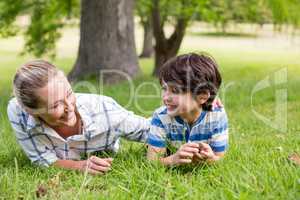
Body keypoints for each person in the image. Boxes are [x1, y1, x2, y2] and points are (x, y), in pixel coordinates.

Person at [7, 60, 150, 175]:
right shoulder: (19, 112)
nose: (69, 107)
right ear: (32, 111)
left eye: (69, 93)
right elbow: (42, 160)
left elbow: (152, 129)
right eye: (56, 105)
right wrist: (79, 166)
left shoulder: (104, 111)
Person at [147, 53, 228, 166]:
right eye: (164, 89)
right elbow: (151, 161)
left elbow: (220, 158)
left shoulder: (216, 116)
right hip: (148, 127)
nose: (165, 97)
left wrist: (210, 159)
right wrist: (172, 160)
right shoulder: (161, 117)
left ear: (202, 96)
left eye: (175, 90)